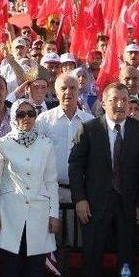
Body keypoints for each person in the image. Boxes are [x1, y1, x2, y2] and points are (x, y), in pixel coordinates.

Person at [69, 82, 139, 277]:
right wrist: (80, 199)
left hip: (128, 206)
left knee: (126, 260)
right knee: (92, 259)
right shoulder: (89, 129)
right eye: (114, 99)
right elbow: (75, 167)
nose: (120, 104)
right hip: (95, 205)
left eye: (125, 100)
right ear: (104, 102)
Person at [0, 99, 60, 277]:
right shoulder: (2, 143)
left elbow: (51, 181)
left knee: (34, 276)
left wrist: (54, 214)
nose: (27, 118)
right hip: (9, 216)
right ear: (14, 118)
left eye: (31, 114)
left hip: (38, 216)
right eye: (21, 114)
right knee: (10, 276)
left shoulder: (45, 143)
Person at [37, 73, 94, 205]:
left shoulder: (89, 121)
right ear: (56, 92)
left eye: (73, 88)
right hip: (50, 192)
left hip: (81, 194)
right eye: (63, 88)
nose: (68, 92)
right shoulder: (44, 120)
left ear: (78, 91)